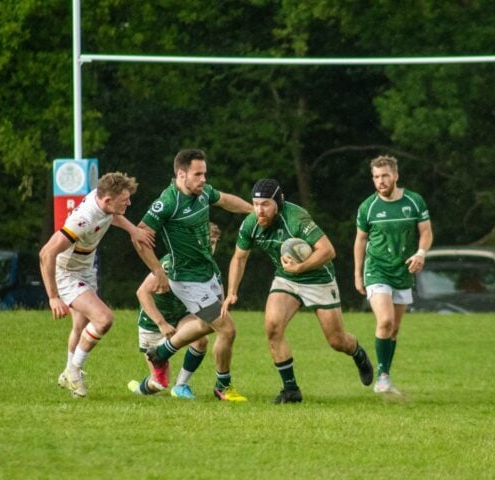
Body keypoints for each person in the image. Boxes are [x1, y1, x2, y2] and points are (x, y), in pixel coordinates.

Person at [221, 178, 374, 404]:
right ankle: (291, 390)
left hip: (318, 278)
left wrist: (300, 267)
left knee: (337, 341)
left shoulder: (296, 218)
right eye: (255, 204)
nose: (259, 210)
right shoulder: (251, 224)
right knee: (272, 327)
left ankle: (357, 353)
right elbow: (239, 258)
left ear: (278, 202)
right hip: (287, 279)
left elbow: (328, 251)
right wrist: (232, 291)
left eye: (265, 204)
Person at [132, 149, 252, 402]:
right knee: (227, 329)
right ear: (181, 174)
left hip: (207, 272)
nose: (203, 179)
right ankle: (223, 386)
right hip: (186, 279)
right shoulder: (167, 202)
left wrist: (253, 211)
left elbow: (226, 200)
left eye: (205, 173)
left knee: (211, 326)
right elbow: (140, 237)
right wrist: (157, 271)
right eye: (198, 174)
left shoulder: (203, 192)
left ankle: (162, 352)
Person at [39, 172, 154, 398]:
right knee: (103, 319)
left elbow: (113, 216)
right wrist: (53, 297)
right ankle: (74, 371)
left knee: (80, 326)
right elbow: (46, 253)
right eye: (125, 200)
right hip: (68, 272)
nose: (129, 203)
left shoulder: (106, 203)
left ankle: (68, 373)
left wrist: (134, 230)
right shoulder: (83, 219)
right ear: (108, 200)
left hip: (85, 267)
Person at [353, 155, 433, 395]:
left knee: (394, 329)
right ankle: (383, 378)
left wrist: (420, 253)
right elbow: (360, 240)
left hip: (403, 270)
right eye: (376, 177)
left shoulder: (414, 201)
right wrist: (357, 274)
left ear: (395, 176)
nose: (380, 181)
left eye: (385, 176)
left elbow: (426, 232)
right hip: (376, 269)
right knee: (385, 321)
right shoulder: (368, 207)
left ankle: (384, 375)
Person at [128, 223, 222, 399]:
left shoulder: (211, 268)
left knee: (201, 339)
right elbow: (142, 293)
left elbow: (218, 301)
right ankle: (139, 388)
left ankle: (181, 386)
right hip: (154, 323)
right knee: (158, 384)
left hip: (182, 316)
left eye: (214, 242)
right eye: (206, 241)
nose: (210, 246)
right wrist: (161, 324)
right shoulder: (172, 262)